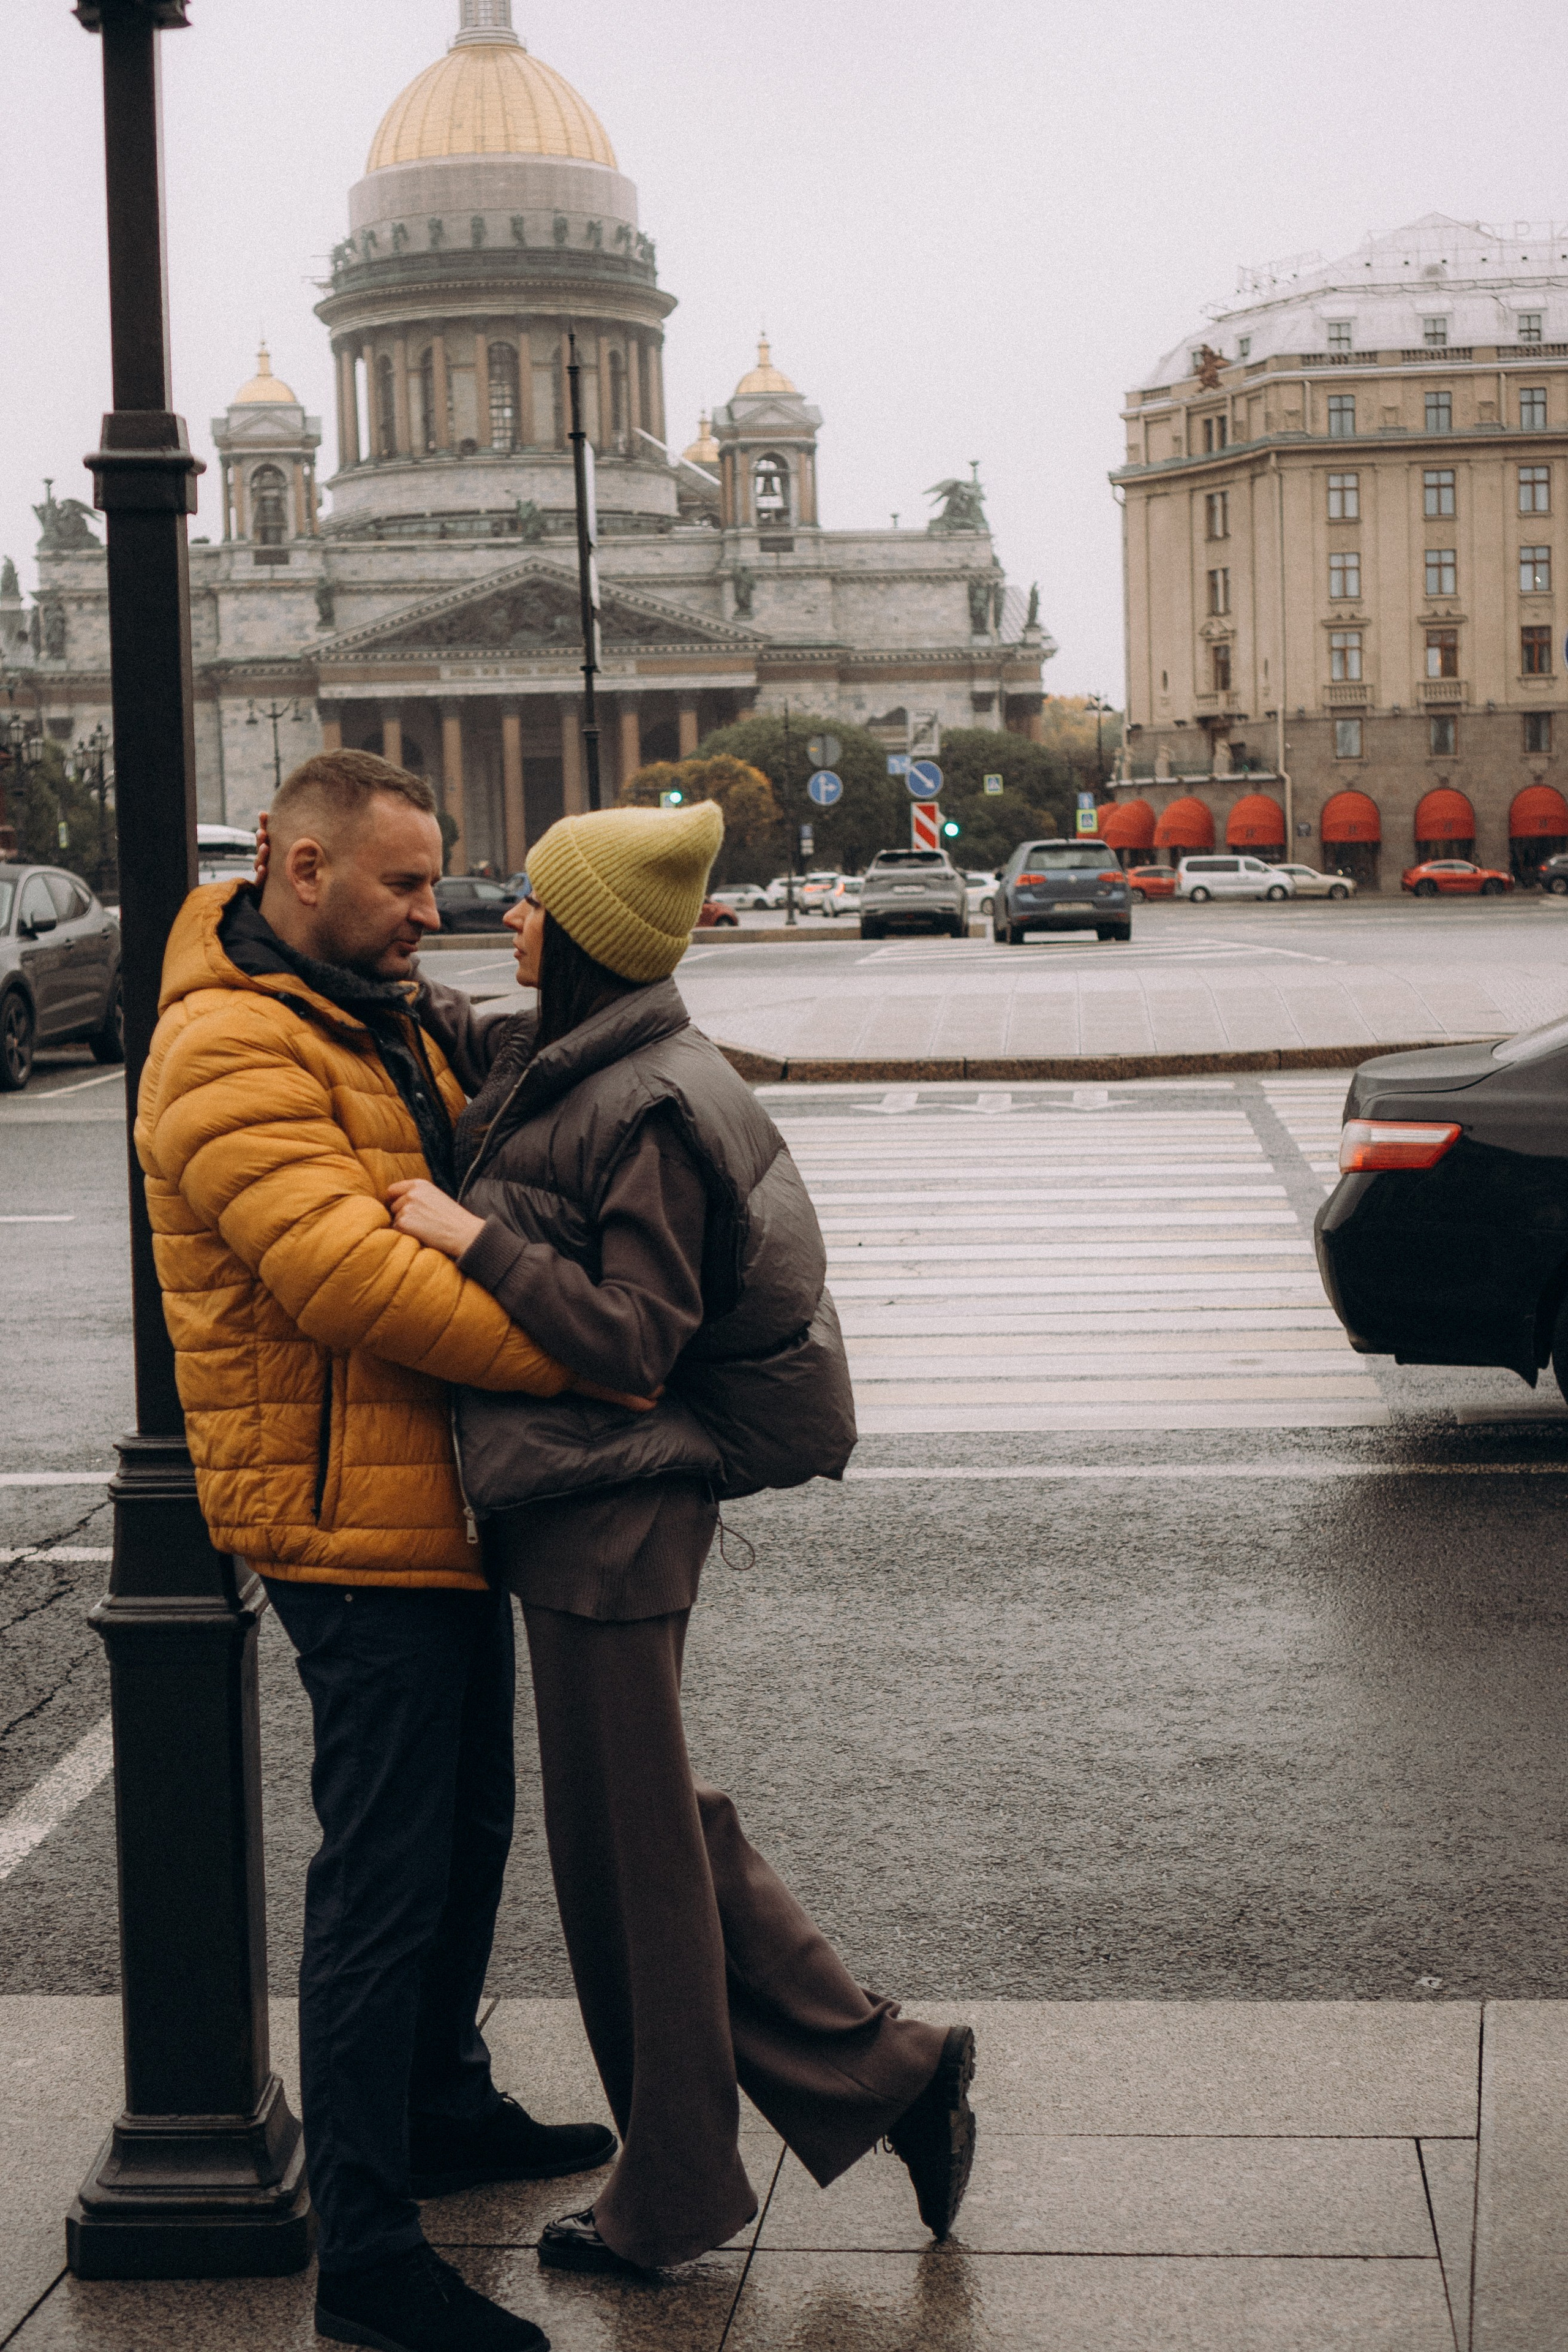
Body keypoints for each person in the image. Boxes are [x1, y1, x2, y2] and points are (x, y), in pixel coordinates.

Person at [387, 798, 977, 2278]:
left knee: (624, 1867)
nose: (501, 920)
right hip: (595, 1508)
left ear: (581, 937)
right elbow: (480, 1048)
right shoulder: (603, 1062)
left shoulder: (643, 1103)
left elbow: (635, 1338)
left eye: (527, 904)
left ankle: (672, 2199)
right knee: (656, 1830)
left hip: (611, 1509)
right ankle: (882, 2069)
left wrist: (475, 1244)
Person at [136, 751, 637, 2352]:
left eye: (441, 880)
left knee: (464, 1827)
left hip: (426, 1489)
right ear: (298, 871)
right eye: (407, 885)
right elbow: (350, 1282)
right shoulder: (229, 1041)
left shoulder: (373, 1007)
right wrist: (586, 1352)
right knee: (384, 1877)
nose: (441, 910)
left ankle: (440, 2103)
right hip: (345, 1511)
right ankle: (365, 2245)